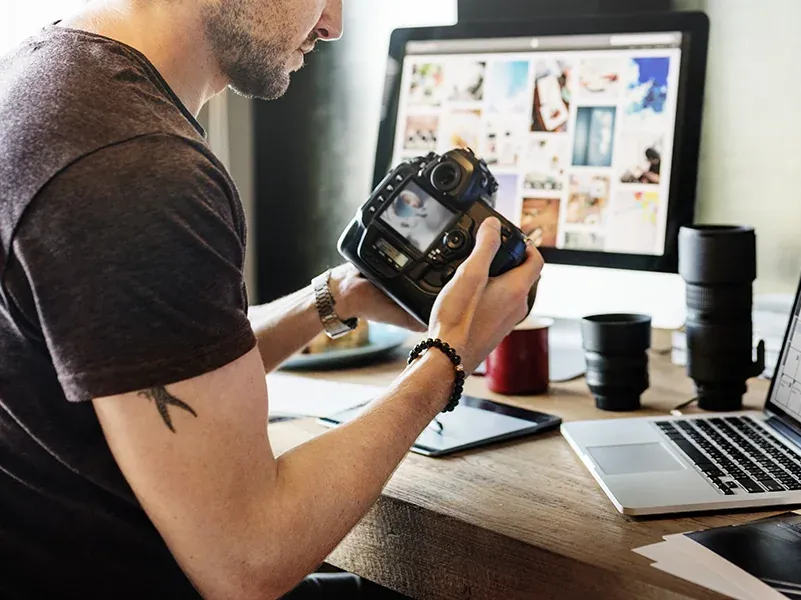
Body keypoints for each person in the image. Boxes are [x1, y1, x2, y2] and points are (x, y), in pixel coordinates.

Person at [0, 0, 544, 598]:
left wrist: (337, 297)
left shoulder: (47, 77)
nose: (333, 24)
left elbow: (161, 369)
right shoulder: (140, 168)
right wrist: (447, 356)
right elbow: (250, 560)